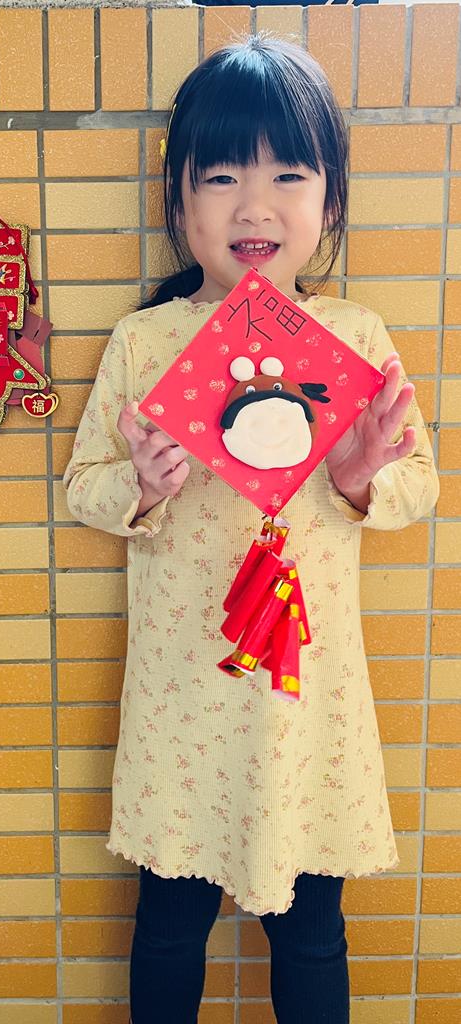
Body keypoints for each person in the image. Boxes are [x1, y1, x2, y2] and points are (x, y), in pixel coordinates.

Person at [63, 34, 439, 1024]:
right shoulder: (145, 340)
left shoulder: (352, 335)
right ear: (178, 200)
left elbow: (420, 485)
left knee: (312, 931)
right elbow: (83, 488)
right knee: (167, 924)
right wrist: (140, 487)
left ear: (331, 201)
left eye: (287, 176)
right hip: (183, 694)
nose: (253, 206)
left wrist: (358, 481)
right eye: (221, 177)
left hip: (305, 701)